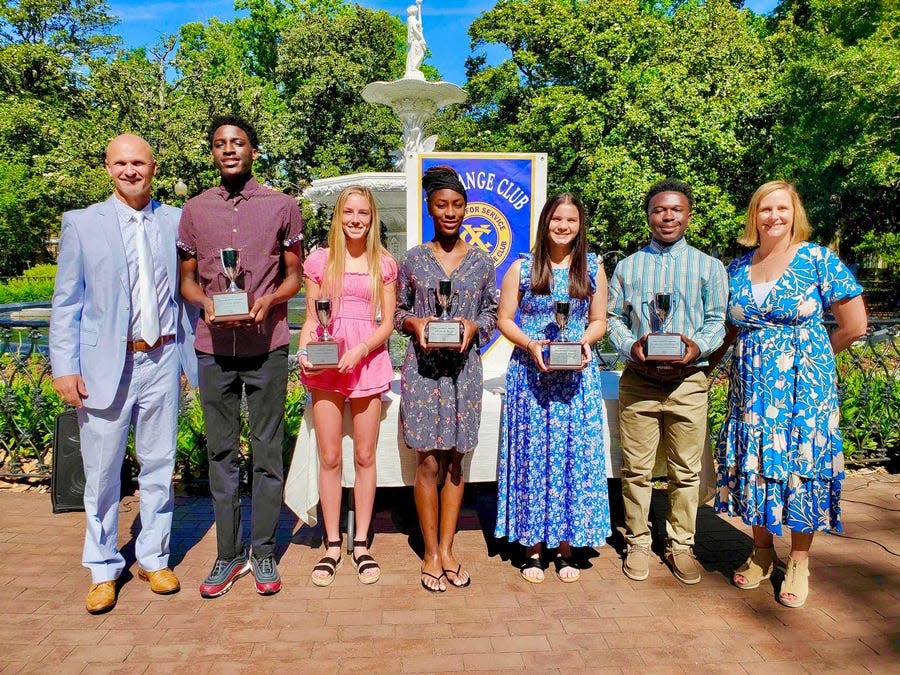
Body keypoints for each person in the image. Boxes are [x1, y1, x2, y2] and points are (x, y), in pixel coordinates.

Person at [50, 134, 197, 614]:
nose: (130, 170)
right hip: (103, 366)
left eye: (138, 162)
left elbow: (188, 294)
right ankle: (103, 567)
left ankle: (154, 557)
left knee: (159, 465)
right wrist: (65, 366)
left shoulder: (177, 221)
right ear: (108, 167)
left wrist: (189, 360)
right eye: (121, 163)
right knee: (102, 472)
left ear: (154, 167)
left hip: (162, 358)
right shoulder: (81, 224)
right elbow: (67, 302)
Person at [713, 180, 866, 608]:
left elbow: (854, 325)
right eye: (765, 209)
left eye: (782, 208)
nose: (773, 217)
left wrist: (814, 358)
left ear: (794, 214)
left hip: (804, 389)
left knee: (800, 464)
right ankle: (762, 553)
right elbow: (728, 330)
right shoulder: (738, 268)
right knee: (758, 462)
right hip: (751, 389)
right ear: (753, 216)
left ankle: (799, 560)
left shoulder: (818, 260)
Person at [178, 115, 303, 598]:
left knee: (268, 453)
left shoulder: (283, 206)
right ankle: (228, 554)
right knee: (221, 453)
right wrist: (206, 302)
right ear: (213, 153)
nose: (228, 150)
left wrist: (270, 301)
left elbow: (293, 276)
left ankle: (264, 550)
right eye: (219, 144)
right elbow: (187, 279)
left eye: (237, 142)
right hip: (213, 349)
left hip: (266, 346)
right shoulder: (195, 210)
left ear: (253, 149)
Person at [607, 178, 728, 585]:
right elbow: (613, 320)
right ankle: (638, 542)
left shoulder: (709, 267)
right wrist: (630, 347)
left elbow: (717, 321)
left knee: (686, 471)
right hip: (640, 381)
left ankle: (681, 544)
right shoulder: (627, 266)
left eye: (676, 210)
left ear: (688, 216)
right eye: (659, 209)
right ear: (649, 216)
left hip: (688, 381)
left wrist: (696, 348)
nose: (668, 216)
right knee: (636, 470)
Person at [494, 194, 611, 584]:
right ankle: (531, 548)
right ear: (545, 223)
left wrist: (583, 343)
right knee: (534, 460)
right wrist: (530, 344)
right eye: (556, 219)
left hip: (576, 378)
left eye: (571, 220)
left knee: (571, 460)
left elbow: (599, 320)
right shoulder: (523, 268)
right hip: (532, 376)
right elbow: (505, 319)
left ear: (580, 225)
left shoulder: (593, 266)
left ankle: (565, 547)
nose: (563, 226)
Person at [394, 165, 497, 592]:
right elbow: (398, 311)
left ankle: (449, 548)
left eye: (457, 205)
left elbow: (492, 313)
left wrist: (474, 328)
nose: (450, 212)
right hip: (422, 373)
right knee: (428, 461)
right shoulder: (414, 259)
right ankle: (430, 552)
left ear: (465, 209)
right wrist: (415, 324)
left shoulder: (481, 262)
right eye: (442, 205)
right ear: (430, 208)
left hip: (464, 374)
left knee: (456, 461)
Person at [297, 186, 397, 587]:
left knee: (366, 456)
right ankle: (331, 543)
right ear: (338, 216)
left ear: (372, 220)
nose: (356, 220)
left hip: (368, 360)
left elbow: (388, 323)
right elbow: (309, 318)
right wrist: (304, 350)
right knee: (330, 456)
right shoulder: (319, 261)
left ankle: (362, 544)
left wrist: (361, 349)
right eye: (349, 213)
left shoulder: (385, 264)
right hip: (327, 366)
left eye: (364, 214)